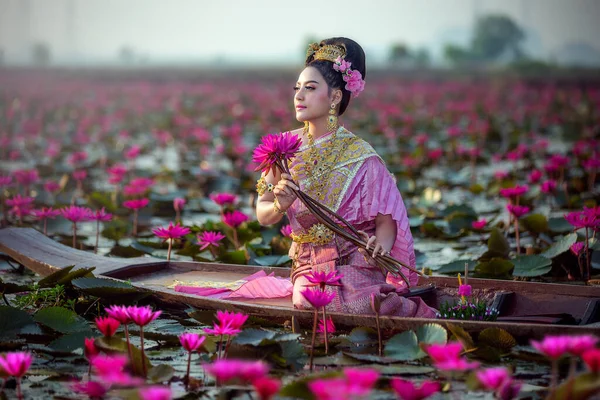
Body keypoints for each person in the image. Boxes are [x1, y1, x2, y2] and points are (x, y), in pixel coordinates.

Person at [255, 37, 435, 318]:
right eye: (298, 88)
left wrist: (381, 245)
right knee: (310, 299)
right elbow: (262, 213)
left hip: (355, 263)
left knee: (365, 300)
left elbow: (385, 223)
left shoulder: (364, 157)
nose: (299, 96)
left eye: (310, 88)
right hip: (308, 267)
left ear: (336, 96)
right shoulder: (282, 149)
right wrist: (280, 204)